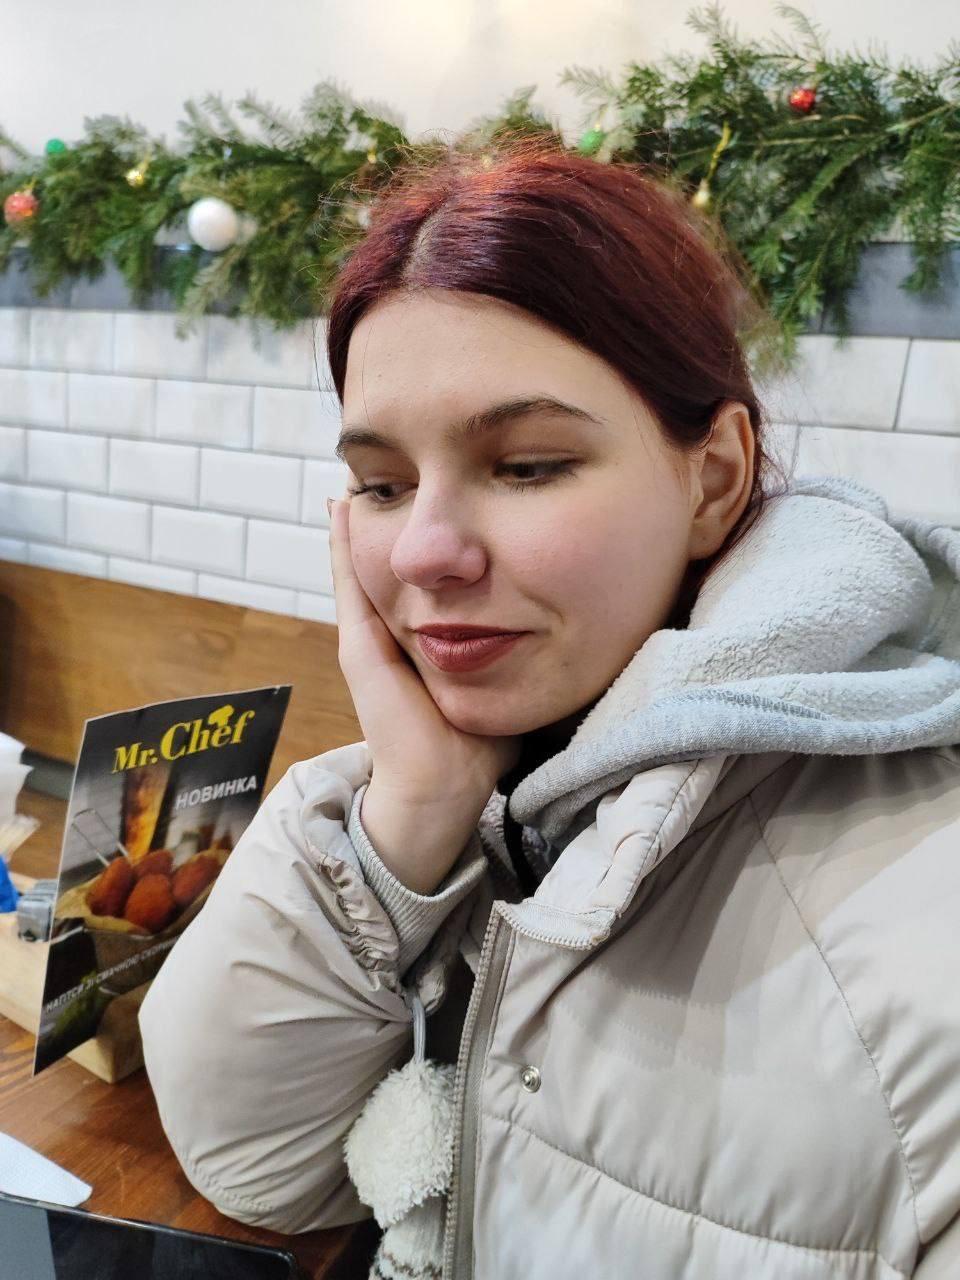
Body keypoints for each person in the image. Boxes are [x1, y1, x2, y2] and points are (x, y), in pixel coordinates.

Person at [139, 138, 960, 1279]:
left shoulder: (920, 938)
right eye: (381, 484)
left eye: (526, 464)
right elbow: (257, 1166)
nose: (421, 550)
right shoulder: (495, 775)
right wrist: (410, 811)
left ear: (715, 477)